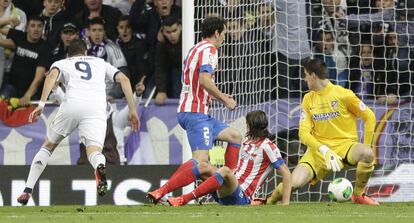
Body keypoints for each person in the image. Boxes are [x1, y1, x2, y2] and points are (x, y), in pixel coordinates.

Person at [16, 39, 140, 205]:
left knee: (49, 146)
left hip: (72, 105)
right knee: (94, 151)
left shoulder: (62, 63)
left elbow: (52, 76)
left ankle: (28, 189)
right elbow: (124, 79)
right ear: (86, 52)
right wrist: (132, 110)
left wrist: (41, 104)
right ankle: (99, 166)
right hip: (96, 108)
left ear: (69, 54)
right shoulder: (99, 62)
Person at [147, 16, 242, 204]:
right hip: (195, 113)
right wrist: (225, 100)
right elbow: (204, 81)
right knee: (201, 161)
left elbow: (194, 84)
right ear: (216, 33)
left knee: (235, 136)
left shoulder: (194, 49)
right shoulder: (210, 50)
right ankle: (161, 191)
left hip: (192, 110)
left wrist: (216, 95)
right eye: (223, 34)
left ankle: (229, 179)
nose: (224, 38)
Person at [266, 58, 379, 205]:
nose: (305, 79)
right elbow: (303, 133)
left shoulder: (343, 94)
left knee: (367, 153)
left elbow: (369, 117)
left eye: (306, 75)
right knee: (293, 183)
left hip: (345, 147)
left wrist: (367, 144)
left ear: (313, 76)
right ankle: (268, 201)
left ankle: (358, 195)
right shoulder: (308, 99)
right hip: (317, 153)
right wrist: (324, 149)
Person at [167, 110, 291, 206]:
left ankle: (184, 199)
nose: (246, 126)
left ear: (251, 126)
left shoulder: (268, 146)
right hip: (228, 190)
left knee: (225, 170)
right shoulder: (248, 140)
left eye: (247, 124)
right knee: (203, 165)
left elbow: (286, 173)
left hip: (242, 196)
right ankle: (163, 192)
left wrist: (285, 203)